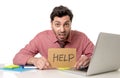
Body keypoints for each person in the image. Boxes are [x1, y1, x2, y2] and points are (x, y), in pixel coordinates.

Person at [13, 5, 94, 70]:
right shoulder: (41, 38)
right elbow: (17, 57)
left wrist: (90, 59)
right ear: (51, 24)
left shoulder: (81, 37)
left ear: (70, 24)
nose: (62, 30)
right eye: (57, 24)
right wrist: (34, 60)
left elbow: (99, 56)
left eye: (66, 24)